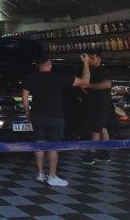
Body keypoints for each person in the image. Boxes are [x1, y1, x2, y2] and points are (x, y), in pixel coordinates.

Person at [21, 53, 90, 187]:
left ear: (38, 65)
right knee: (53, 147)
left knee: (39, 144)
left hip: (37, 116)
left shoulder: (31, 77)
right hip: (55, 117)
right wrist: (86, 63)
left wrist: (28, 112)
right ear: (49, 64)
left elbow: (24, 96)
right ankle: (52, 176)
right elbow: (85, 81)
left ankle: (40, 174)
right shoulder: (59, 77)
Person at [80, 51, 113, 165]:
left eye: (92, 58)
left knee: (96, 128)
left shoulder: (102, 71)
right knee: (102, 128)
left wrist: (89, 85)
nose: (90, 60)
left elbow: (107, 84)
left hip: (100, 104)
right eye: (89, 58)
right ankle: (104, 152)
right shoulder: (90, 70)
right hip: (93, 104)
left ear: (99, 58)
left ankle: (91, 153)